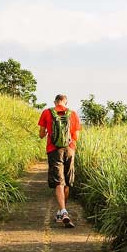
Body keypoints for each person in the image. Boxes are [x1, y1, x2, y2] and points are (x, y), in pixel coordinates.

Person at [38, 93, 81, 226]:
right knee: (67, 181)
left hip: (54, 150)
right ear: (65, 103)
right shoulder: (73, 114)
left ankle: (63, 211)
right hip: (70, 150)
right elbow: (76, 137)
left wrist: (47, 133)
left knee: (58, 181)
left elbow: (41, 134)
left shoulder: (46, 112)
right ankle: (61, 212)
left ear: (55, 102)